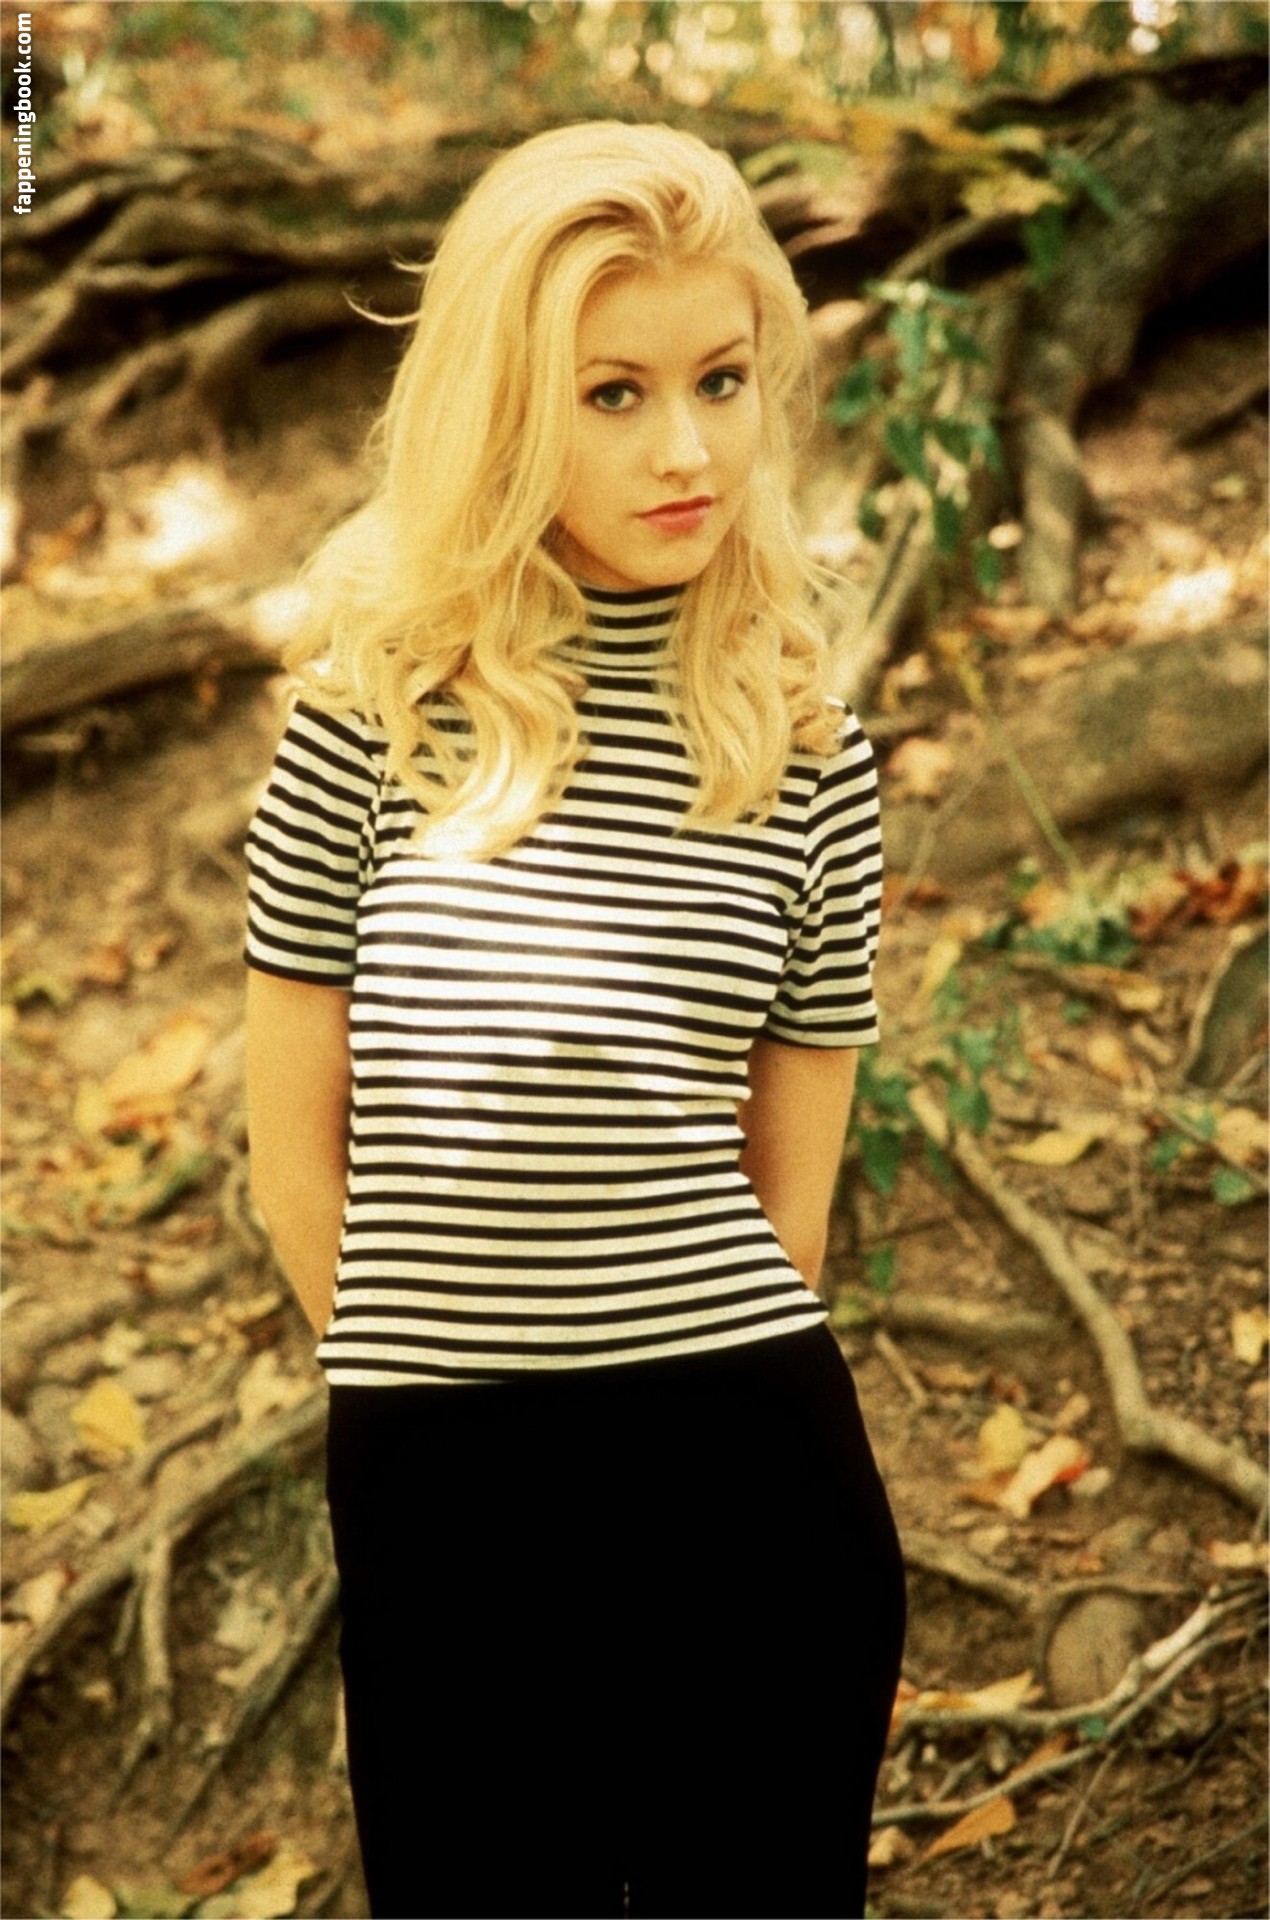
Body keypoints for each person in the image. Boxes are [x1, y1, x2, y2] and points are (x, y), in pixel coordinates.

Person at [243, 119, 905, 1920]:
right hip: (444, 1495)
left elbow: (791, 1206)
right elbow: (298, 1162)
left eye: (720, 381)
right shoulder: (366, 720)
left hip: (751, 1493)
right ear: (506, 406)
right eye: (613, 393)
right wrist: (440, 1401)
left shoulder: (807, 750)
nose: (686, 449)